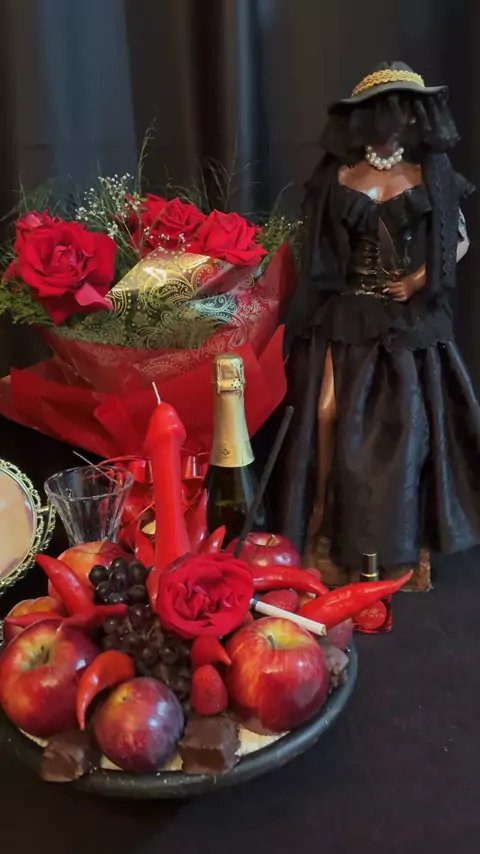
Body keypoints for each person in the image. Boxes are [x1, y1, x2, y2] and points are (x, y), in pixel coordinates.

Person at [275, 61, 480, 588]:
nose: (395, 123)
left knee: (409, 423)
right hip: (346, 311)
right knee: (325, 413)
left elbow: (457, 238)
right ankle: (321, 524)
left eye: (404, 113)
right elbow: (316, 244)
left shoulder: (428, 174)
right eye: (386, 113)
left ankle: (407, 541)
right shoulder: (338, 175)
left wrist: (417, 281)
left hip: (405, 319)